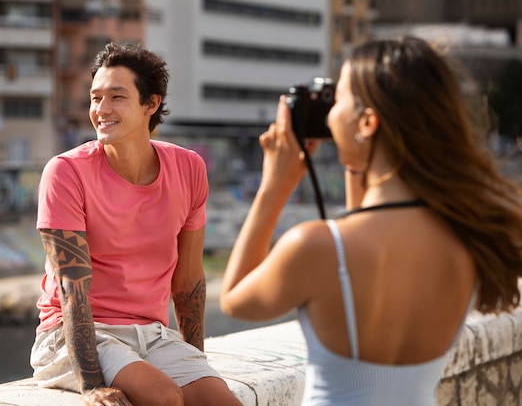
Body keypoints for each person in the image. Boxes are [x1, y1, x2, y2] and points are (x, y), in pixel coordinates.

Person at [220, 36, 522, 406]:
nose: (329, 114)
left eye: (338, 98)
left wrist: (274, 187)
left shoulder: (317, 247)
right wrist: (360, 159)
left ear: (367, 121)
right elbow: (370, 223)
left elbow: (234, 299)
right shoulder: (469, 240)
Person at [30, 42, 243, 406]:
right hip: (72, 335)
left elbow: (189, 280)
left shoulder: (189, 169)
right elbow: (71, 287)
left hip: (152, 334)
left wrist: (195, 362)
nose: (101, 110)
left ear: (151, 104)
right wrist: (91, 385)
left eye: (116, 97)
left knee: (219, 401)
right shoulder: (66, 172)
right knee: (162, 398)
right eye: (95, 98)